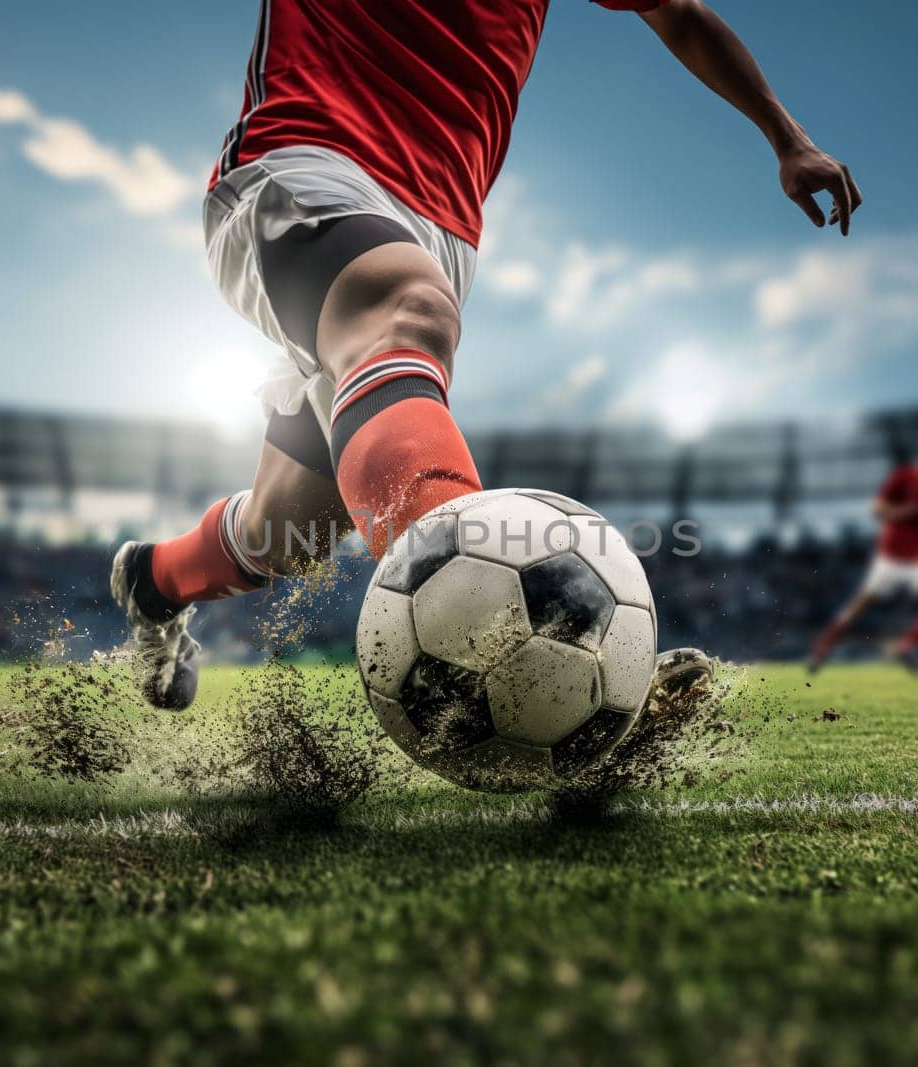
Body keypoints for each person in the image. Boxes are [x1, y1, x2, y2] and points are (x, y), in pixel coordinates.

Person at [111, 0, 864, 711]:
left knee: (292, 536)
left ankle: (156, 579)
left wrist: (787, 136)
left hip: (439, 225)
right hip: (308, 157)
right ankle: (518, 650)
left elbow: (683, 16)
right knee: (408, 314)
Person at [808, 427, 918, 674]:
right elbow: (878, 510)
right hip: (892, 555)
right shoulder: (904, 477)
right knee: (862, 604)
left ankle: (907, 644)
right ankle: (824, 645)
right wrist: (906, 511)